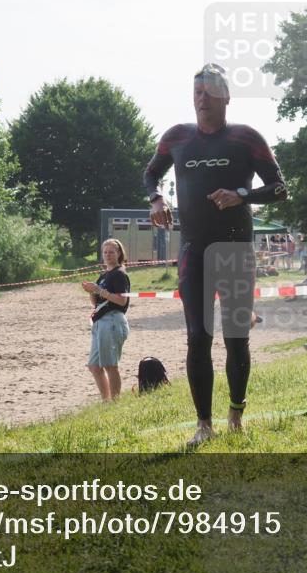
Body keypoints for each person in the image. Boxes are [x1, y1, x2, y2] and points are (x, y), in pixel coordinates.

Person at [145, 64, 287, 446]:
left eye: (209, 92)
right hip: (194, 249)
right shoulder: (176, 138)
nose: (201, 99)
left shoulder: (245, 138)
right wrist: (156, 198)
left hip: (235, 249)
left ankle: (236, 415)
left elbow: (279, 188)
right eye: (197, 92)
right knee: (197, 337)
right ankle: (203, 425)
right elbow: (150, 174)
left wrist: (241, 195)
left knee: (237, 338)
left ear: (226, 96)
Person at [81, 238, 131, 402]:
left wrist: (99, 290)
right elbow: (96, 302)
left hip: (112, 321)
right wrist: (91, 291)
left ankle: (115, 402)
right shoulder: (104, 275)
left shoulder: (119, 274)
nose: (108, 255)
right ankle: (106, 400)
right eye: (105, 252)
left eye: (111, 252)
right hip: (100, 321)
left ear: (119, 254)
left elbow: (122, 301)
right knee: (94, 366)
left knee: (110, 365)